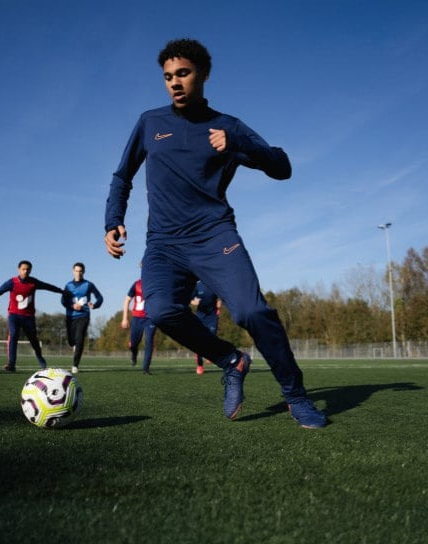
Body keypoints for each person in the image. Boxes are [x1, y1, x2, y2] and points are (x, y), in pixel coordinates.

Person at [102, 38, 326, 428]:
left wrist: (239, 144)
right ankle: (231, 360)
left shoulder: (227, 126)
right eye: (168, 77)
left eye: (183, 74)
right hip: (164, 244)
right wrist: (112, 220)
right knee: (160, 311)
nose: (174, 83)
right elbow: (123, 177)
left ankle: (296, 396)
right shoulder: (150, 122)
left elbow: (282, 166)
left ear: (203, 75)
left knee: (252, 311)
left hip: (213, 235)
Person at [0, 260, 70, 372]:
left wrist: (61, 291)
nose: (25, 271)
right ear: (19, 270)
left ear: (30, 270)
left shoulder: (33, 282)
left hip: (28, 317)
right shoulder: (12, 282)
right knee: (13, 335)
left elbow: (47, 286)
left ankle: (42, 362)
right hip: (14, 315)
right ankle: (11, 364)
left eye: (28, 269)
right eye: (23, 269)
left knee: (34, 341)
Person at [62, 262, 104, 374]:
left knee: (80, 338)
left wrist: (94, 305)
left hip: (84, 315)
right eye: (76, 271)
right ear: (73, 271)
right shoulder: (68, 285)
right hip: (70, 316)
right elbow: (63, 301)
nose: (78, 273)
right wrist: (72, 306)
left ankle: (75, 365)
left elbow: (100, 297)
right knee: (72, 341)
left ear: (83, 272)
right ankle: (74, 344)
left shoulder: (88, 284)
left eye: (80, 271)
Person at [121, 277, 156, 375]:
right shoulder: (136, 284)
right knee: (133, 344)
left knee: (149, 341)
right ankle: (134, 354)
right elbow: (127, 300)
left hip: (150, 318)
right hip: (137, 318)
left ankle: (146, 368)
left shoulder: (156, 282)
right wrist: (125, 318)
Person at [190, 280, 221, 375]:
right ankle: (200, 365)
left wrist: (219, 305)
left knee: (212, 337)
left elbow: (219, 298)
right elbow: (190, 299)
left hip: (212, 317)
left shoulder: (214, 284)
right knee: (199, 341)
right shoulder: (197, 286)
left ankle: (209, 354)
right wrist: (194, 302)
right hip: (200, 317)